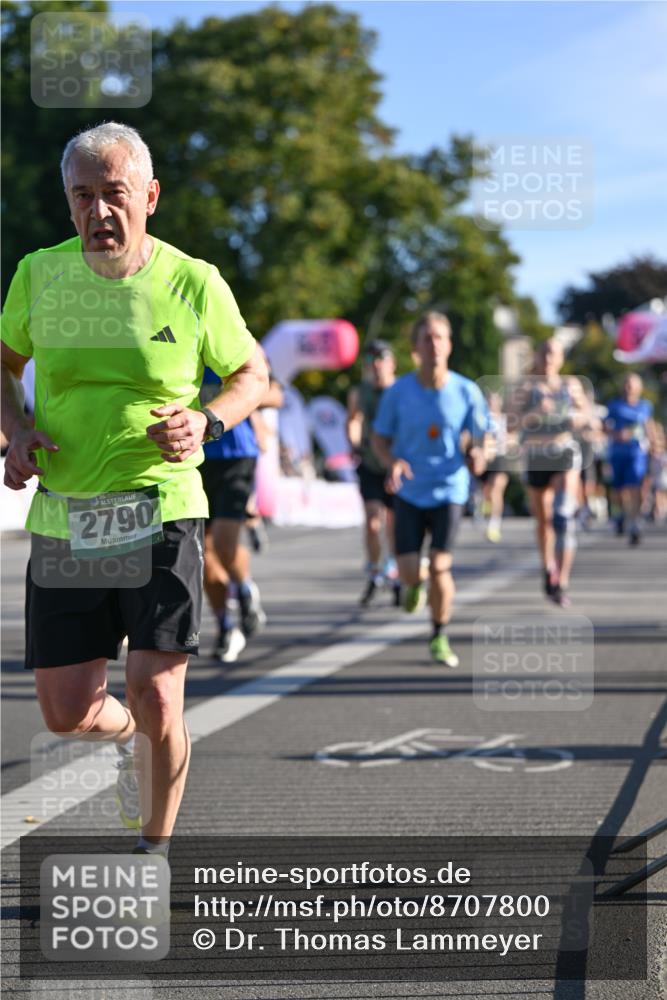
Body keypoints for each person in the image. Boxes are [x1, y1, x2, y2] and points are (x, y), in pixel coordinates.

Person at [0, 123, 268, 855]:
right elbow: (3, 361)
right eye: (81, 196)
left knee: (156, 692)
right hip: (67, 515)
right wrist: (15, 431)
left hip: (161, 507)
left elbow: (252, 375)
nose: (98, 212)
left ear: (148, 196)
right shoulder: (38, 274)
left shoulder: (192, 281)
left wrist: (207, 421)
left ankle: (153, 849)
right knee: (65, 713)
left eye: (113, 193)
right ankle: (126, 743)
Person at [372, 312, 487, 667]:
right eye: (427, 338)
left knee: (440, 566)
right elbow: (378, 438)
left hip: (450, 488)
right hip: (409, 490)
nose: (434, 343)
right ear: (415, 348)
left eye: (440, 337)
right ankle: (413, 584)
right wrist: (392, 461)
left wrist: (480, 454)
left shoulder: (467, 390)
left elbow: (484, 437)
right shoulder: (398, 392)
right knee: (409, 572)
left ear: (449, 345)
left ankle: (439, 634)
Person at [200, 364, 283, 662]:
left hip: (236, 456)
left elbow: (274, 393)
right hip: (194, 458)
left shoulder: (232, 337)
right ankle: (225, 625)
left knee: (224, 542)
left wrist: (241, 397)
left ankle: (245, 588)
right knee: (202, 552)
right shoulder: (173, 335)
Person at [513, 338, 593, 607]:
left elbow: (587, 415)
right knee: (544, 521)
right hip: (536, 456)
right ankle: (548, 568)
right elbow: (511, 423)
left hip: (564, 453)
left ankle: (562, 581)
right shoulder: (527, 388)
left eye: (553, 353)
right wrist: (535, 412)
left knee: (562, 518)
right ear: (536, 356)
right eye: (544, 352)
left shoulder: (571, 385)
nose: (548, 358)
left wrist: (577, 418)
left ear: (561, 358)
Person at [346, 339, 399, 606]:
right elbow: (353, 419)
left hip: (395, 463)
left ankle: (394, 567)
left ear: (392, 364)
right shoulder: (360, 392)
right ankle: (375, 569)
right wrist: (354, 444)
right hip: (369, 462)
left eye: (382, 359)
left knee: (393, 522)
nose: (376, 365)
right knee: (372, 521)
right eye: (371, 360)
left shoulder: (401, 391)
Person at [604, 373, 656, 545]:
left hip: (636, 453)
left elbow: (649, 426)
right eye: (627, 384)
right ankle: (621, 515)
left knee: (635, 487)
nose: (629, 388)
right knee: (619, 490)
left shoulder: (645, 406)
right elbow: (604, 427)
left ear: (639, 388)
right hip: (617, 453)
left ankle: (634, 524)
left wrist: (654, 446)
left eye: (633, 385)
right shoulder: (614, 405)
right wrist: (617, 434)